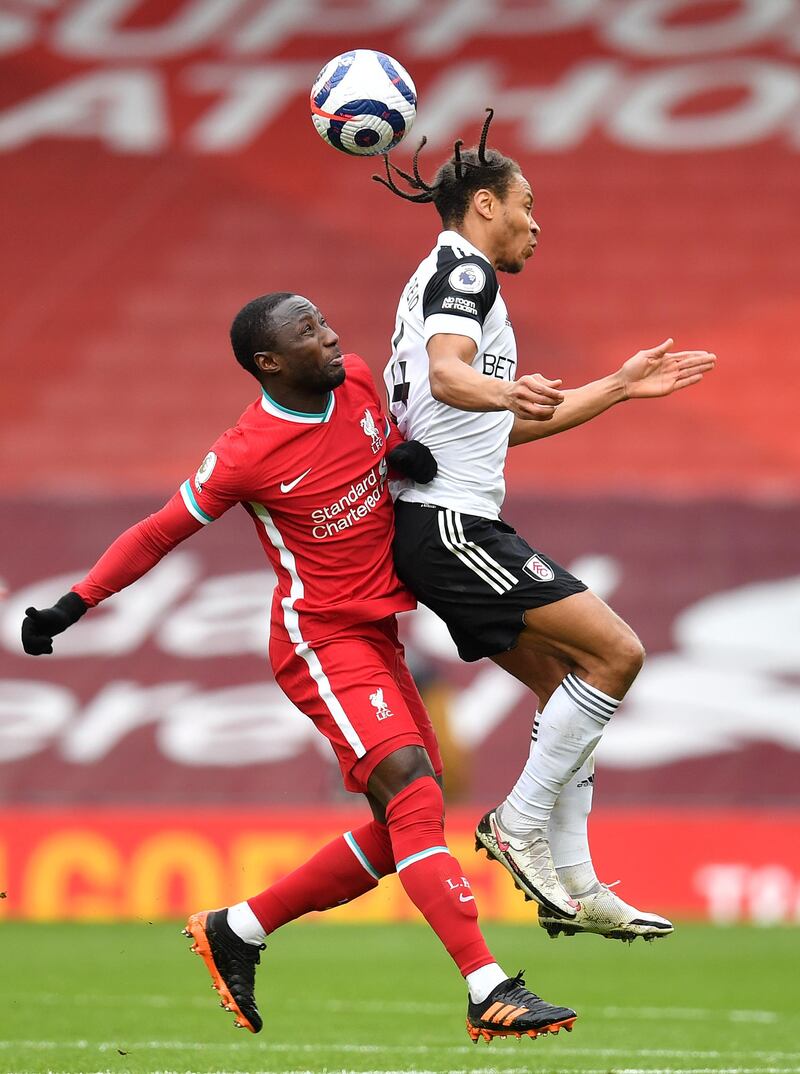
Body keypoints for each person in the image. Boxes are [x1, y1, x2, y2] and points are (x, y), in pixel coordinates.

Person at [21, 292, 577, 1043]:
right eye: (308, 332)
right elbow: (158, 532)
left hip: (379, 633)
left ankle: (239, 928)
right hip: (320, 641)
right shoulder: (245, 452)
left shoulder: (355, 379)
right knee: (413, 788)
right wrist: (75, 602)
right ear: (269, 363)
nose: (331, 335)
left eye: (323, 321)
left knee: (401, 824)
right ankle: (487, 986)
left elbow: (393, 450)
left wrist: (402, 462)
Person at [375, 111, 716, 941]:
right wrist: (503, 389)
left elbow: (498, 417)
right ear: (486, 204)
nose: (538, 222)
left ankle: (578, 879)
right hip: (447, 524)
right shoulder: (464, 275)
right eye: (528, 203)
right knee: (617, 653)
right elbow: (457, 379)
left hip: (442, 522)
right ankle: (518, 826)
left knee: (565, 686)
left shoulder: (441, 279)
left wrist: (618, 387)